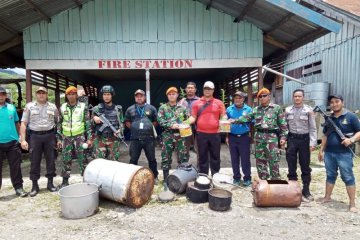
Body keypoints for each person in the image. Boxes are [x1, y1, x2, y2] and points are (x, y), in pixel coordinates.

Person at [231, 88, 288, 180]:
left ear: (269, 96)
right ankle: (264, 184)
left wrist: (283, 137)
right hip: (259, 139)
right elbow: (246, 117)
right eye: (260, 97)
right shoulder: (256, 109)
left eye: (264, 96)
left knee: (273, 160)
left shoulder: (276, 108)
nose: (262, 98)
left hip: (272, 138)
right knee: (260, 162)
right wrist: (234, 120)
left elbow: (283, 125)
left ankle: (275, 182)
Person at [318, 94, 360, 212]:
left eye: (337, 101)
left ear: (342, 102)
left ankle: (352, 204)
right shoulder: (329, 118)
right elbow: (325, 135)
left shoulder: (351, 116)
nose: (334, 104)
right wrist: (321, 150)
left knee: (347, 177)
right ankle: (327, 197)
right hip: (329, 153)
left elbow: (359, 132)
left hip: (344, 154)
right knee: (330, 175)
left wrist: (351, 140)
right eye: (332, 102)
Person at [20, 86, 58, 197]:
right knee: (34, 161)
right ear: (36, 94)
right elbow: (23, 124)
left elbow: (58, 122)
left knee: (51, 160)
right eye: (39, 93)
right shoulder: (29, 106)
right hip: (35, 137)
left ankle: (50, 183)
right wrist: (22, 140)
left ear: (46, 94)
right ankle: (34, 185)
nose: (41, 95)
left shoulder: (53, 107)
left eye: (43, 93)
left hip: (50, 136)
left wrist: (58, 138)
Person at [285, 89, 317, 202]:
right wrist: (284, 139)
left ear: (303, 97)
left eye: (299, 96)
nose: (297, 98)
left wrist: (312, 143)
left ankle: (306, 191)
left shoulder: (309, 110)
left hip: (304, 140)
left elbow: (313, 128)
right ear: (293, 97)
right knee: (291, 165)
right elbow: (285, 127)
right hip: (292, 139)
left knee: (305, 166)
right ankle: (293, 189)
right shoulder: (288, 110)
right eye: (295, 96)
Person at [188, 81, 226, 175]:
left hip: (215, 134)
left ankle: (215, 175)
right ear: (203, 90)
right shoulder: (197, 103)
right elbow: (193, 117)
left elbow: (223, 116)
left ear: (213, 90)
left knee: (215, 156)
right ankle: (203, 176)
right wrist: (184, 123)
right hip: (201, 134)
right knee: (202, 156)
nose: (207, 91)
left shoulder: (219, 103)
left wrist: (225, 121)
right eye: (206, 89)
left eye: (210, 89)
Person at [56, 86, 92, 188]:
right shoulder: (62, 107)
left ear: (76, 95)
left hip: (79, 137)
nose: (71, 96)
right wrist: (59, 139)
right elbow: (59, 124)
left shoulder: (83, 106)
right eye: (69, 94)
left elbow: (88, 123)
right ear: (66, 96)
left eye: (73, 94)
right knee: (66, 159)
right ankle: (65, 181)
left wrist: (89, 138)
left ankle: (86, 180)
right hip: (66, 137)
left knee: (83, 159)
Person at [124, 89, 159, 180]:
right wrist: (133, 128)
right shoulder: (130, 109)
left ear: (144, 97)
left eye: (141, 96)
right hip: (135, 138)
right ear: (135, 97)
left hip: (149, 139)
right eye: (137, 96)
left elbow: (156, 121)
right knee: (133, 159)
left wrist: (149, 128)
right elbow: (127, 121)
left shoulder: (151, 108)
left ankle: (154, 177)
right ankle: (131, 178)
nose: (139, 98)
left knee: (151, 159)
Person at [157, 87, 189, 183]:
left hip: (180, 136)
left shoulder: (182, 108)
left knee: (182, 157)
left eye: (173, 94)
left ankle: (182, 179)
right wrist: (171, 125)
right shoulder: (163, 107)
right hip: (167, 136)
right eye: (169, 94)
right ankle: (166, 180)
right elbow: (160, 120)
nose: (171, 96)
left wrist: (183, 125)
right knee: (166, 157)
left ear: (177, 95)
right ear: (167, 96)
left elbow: (187, 120)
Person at [0, 87, 28, 197]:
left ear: (5, 96)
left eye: (3, 94)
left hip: (12, 143)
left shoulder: (11, 108)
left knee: (15, 167)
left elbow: (17, 124)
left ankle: (19, 188)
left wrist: (21, 138)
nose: (1, 96)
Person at [89, 85, 124, 161]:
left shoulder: (118, 109)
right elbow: (90, 126)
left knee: (113, 163)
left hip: (113, 139)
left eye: (108, 94)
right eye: (104, 94)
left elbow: (122, 124)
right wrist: (94, 118)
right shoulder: (97, 108)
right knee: (99, 163)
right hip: (100, 139)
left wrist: (119, 131)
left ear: (112, 95)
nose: (106, 96)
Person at [226, 91, 252, 187]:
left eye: (239, 98)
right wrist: (227, 137)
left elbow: (252, 123)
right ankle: (236, 178)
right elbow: (225, 124)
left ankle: (247, 178)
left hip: (244, 137)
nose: (237, 99)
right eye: (236, 98)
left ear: (243, 99)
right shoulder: (229, 109)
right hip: (232, 137)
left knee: (245, 158)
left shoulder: (248, 109)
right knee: (234, 158)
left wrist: (251, 137)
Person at [178, 82, 199, 154]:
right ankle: (184, 164)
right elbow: (177, 114)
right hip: (185, 127)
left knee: (199, 149)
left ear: (195, 90)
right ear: (186, 89)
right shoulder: (181, 101)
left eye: (192, 88)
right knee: (184, 149)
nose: (190, 89)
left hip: (197, 128)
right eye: (188, 88)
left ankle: (199, 165)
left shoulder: (199, 101)